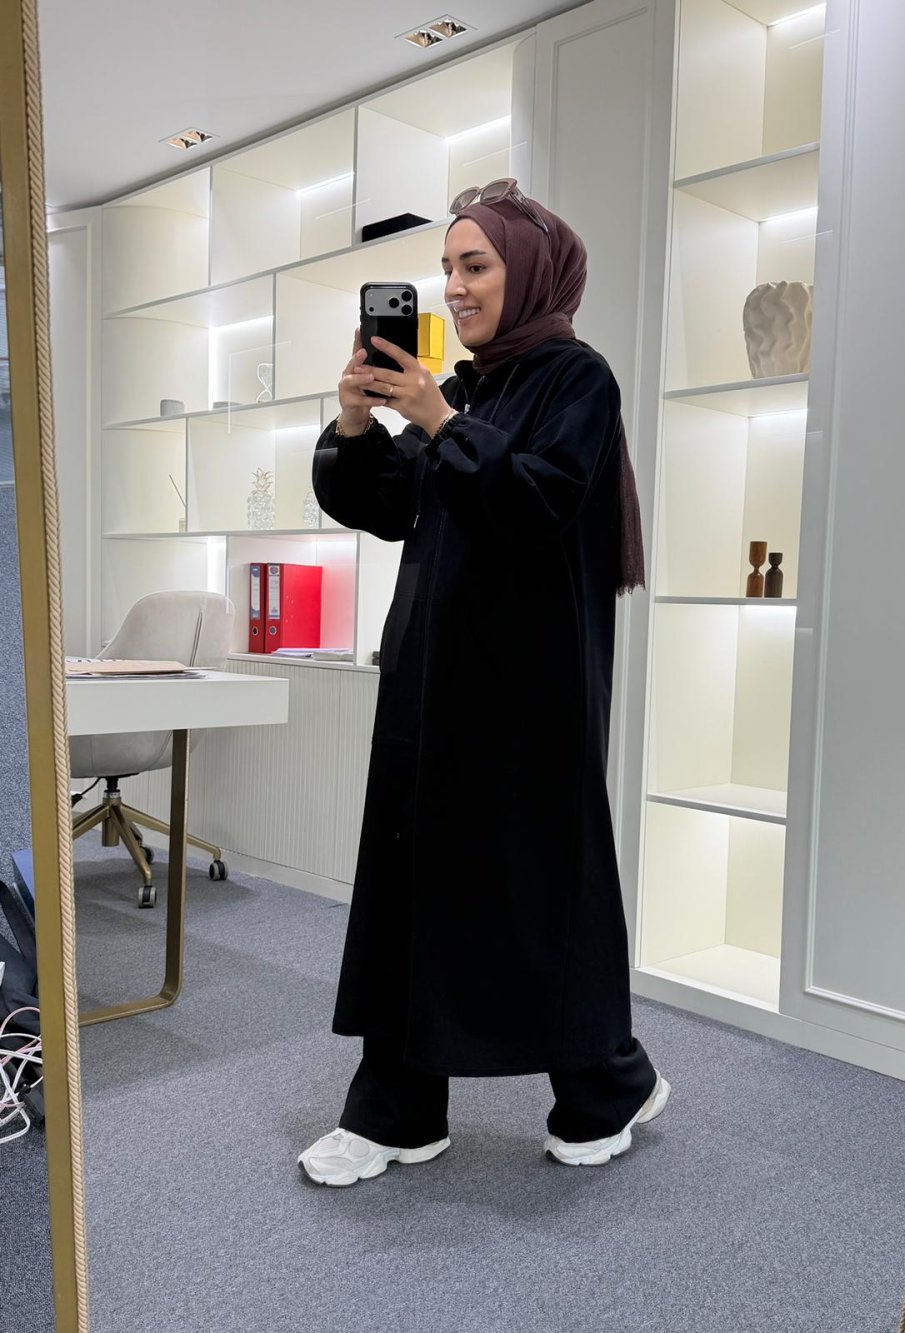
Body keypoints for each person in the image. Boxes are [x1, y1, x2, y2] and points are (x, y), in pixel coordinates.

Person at [299, 179, 670, 1188]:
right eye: (447, 268)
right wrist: (359, 424)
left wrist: (436, 418)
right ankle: (397, 1107)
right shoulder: (464, 392)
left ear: (531, 273)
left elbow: (539, 502)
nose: (455, 287)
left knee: (537, 892)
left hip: (528, 695)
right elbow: (389, 507)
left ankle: (606, 1084)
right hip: (430, 684)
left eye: (476, 265)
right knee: (413, 883)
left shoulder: (576, 380)